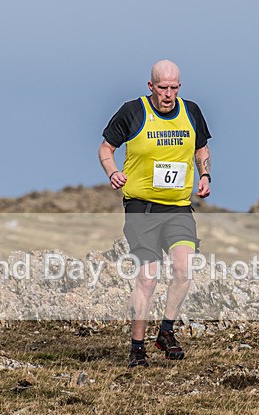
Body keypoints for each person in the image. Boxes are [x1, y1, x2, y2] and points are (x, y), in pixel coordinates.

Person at [98, 59, 212, 368]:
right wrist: (112, 172)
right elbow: (105, 148)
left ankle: (166, 332)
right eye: (162, 88)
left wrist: (205, 176)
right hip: (141, 208)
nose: (168, 94)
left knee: (184, 268)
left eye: (174, 87)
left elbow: (201, 148)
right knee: (148, 278)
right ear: (151, 87)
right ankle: (137, 347)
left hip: (177, 207)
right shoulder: (133, 112)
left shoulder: (191, 112)